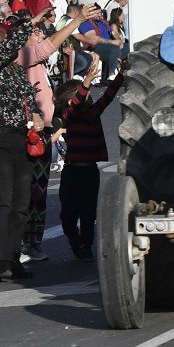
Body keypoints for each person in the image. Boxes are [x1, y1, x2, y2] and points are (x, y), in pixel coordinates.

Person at [17, 2, 101, 262]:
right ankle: (19, 244)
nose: (41, 34)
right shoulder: (24, 55)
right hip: (27, 133)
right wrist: (76, 22)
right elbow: (49, 45)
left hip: (44, 133)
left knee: (39, 193)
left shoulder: (36, 62)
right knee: (24, 193)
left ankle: (33, 243)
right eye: (36, 31)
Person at [0, 9, 52, 280]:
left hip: (23, 139)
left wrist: (37, 118)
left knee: (21, 204)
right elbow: (8, 47)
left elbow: (30, 104)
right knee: (4, 203)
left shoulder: (18, 74)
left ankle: (11, 258)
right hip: (2, 138)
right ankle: (1, 260)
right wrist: (30, 23)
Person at [54, 61, 122, 260]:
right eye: (84, 93)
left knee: (88, 213)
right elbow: (76, 104)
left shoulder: (93, 112)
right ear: (70, 101)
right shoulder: (69, 115)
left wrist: (122, 74)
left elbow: (109, 95)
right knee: (67, 214)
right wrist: (87, 82)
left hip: (89, 172)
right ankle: (74, 240)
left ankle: (86, 246)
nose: (90, 95)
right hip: (71, 171)